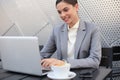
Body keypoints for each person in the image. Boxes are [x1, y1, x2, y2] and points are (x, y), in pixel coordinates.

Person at [41, 0, 101, 69]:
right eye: (59, 12)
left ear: (76, 7)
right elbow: (43, 54)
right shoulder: (57, 30)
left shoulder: (92, 29)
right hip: (61, 74)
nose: (62, 15)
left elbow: (94, 60)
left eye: (66, 10)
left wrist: (64, 63)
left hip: (82, 75)